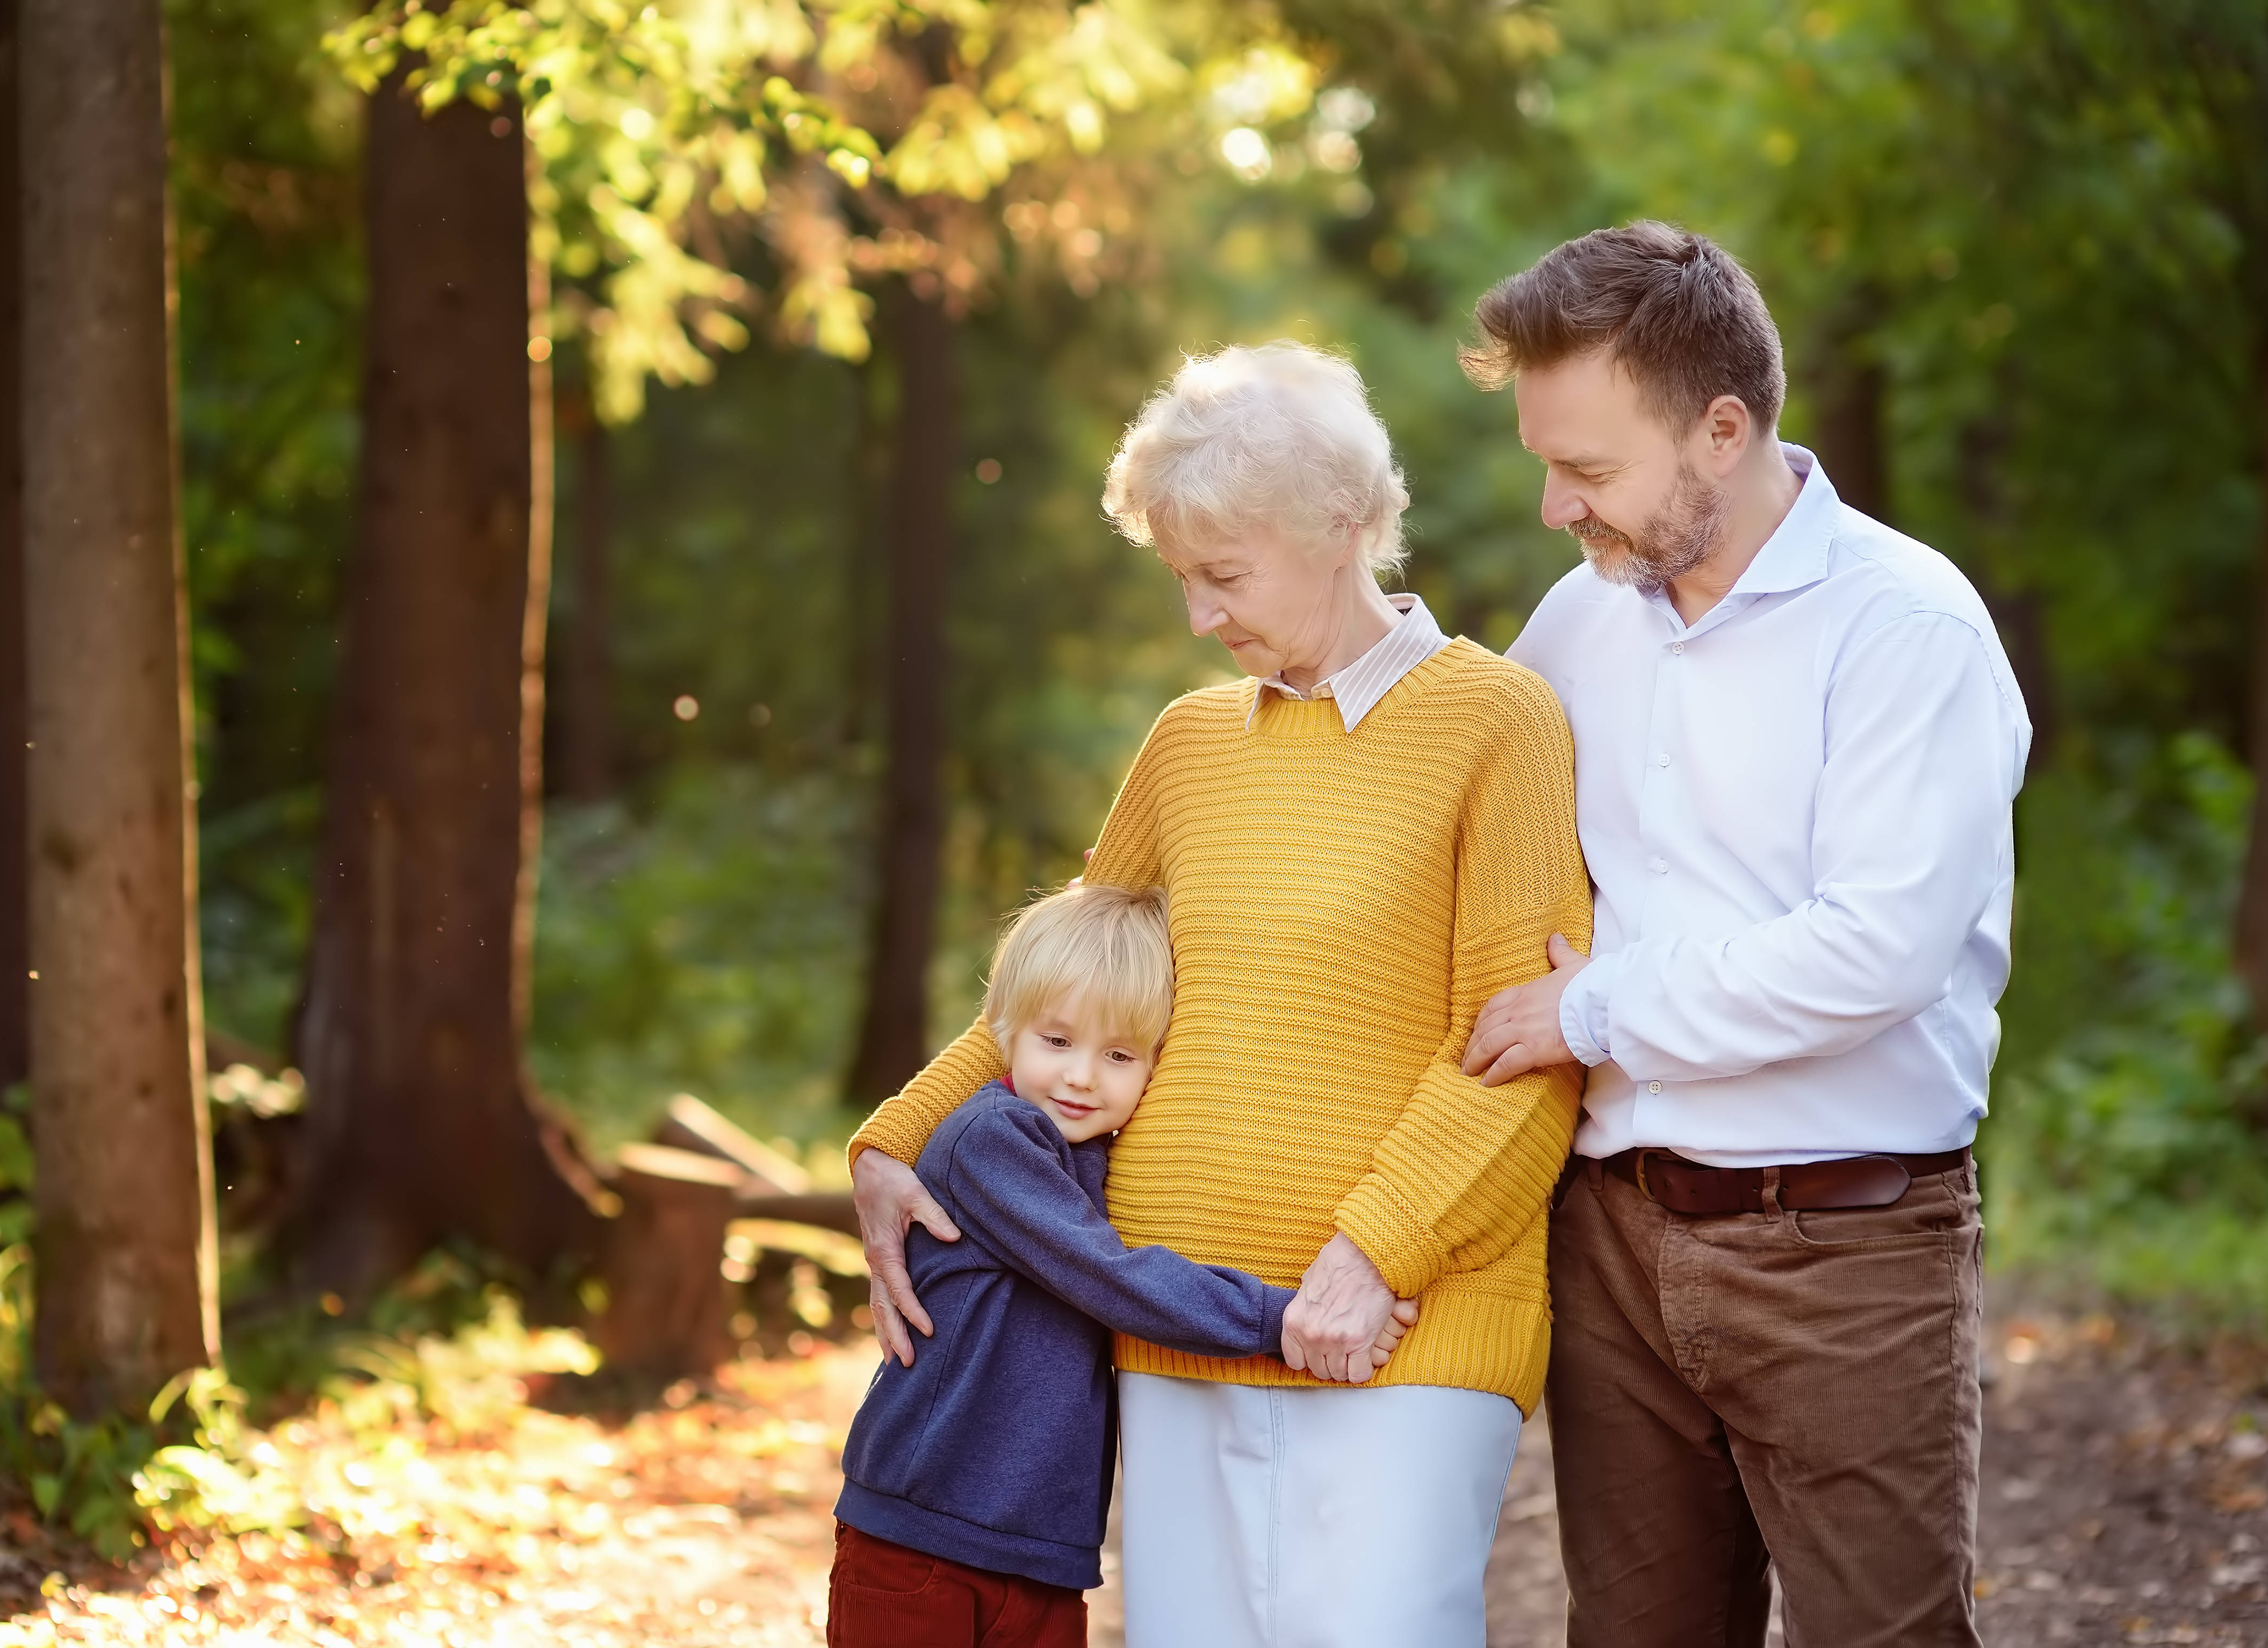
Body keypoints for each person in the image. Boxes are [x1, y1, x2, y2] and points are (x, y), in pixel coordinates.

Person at [849, 342, 1592, 1648]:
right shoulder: (1189, 745)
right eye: (1180, 577)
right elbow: (1052, 997)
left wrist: (1373, 1259)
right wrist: (894, 1143)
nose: (1198, 616)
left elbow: (1523, 1049)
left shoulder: (1497, 722)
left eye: (1223, 575)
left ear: (1344, 527)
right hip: (1170, 1331)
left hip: (1401, 1335)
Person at [1458, 221, 2032, 1647]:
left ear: (1722, 430)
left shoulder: (1908, 628)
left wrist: (1593, 1013)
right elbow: (1463, 811)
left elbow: (1876, 951)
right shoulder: (1578, 620)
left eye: (1586, 468)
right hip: (1609, 1245)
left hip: (1844, 1250)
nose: (1553, 508)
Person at [827, 881, 1415, 1647]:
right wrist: (1288, 1317)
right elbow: (1113, 1277)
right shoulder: (991, 1142)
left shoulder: (1094, 1158)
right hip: (920, 1531)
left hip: (1038, 1555)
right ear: (1004, 1031)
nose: (1080, 1077)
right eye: (1057, 1041)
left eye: (1118, 1055)